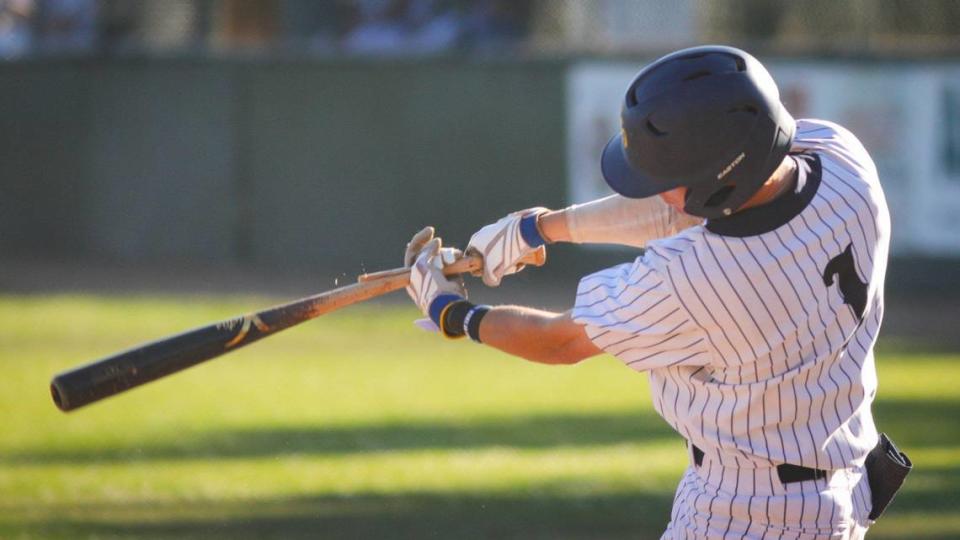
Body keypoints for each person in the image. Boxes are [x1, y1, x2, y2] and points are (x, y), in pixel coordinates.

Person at [403, 45, 910, 538]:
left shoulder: (696, 278)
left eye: (666, 178)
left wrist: (453, 312)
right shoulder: (845, 164)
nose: (653, 189)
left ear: (721, 179)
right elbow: (687, 206)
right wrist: (539, 229)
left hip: (747, 514)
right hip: (839, 491)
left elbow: (559, 341)